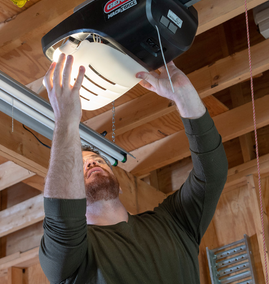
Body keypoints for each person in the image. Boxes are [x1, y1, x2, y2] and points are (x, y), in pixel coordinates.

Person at [39, 53, 228, 284]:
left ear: (119, 187)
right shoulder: (71, 259)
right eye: (79, 165)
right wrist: (65, 121)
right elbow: (62, 216)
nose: (91, 162)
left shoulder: (174, 223)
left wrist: (184, 95)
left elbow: (212, 174)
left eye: (98, 160)